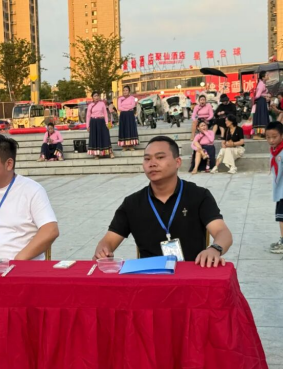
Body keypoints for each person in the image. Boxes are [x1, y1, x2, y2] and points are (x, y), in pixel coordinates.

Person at [93, 136, 233, 267]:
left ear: (177, 162)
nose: (152, 164)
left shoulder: (198, 195)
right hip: (149, 277)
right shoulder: (132, 203)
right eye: (147, 159)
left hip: (191, 274)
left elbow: (222, 232)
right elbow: (109, 240)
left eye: (160, 157)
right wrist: (103, 250)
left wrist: (215, 249)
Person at [266, 122, 283, 254]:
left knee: (281, 217)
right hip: (280, 189)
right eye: (268, 137)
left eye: (274, 137)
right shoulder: (275, 150)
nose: (271, 140)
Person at [86, 91, 113, 159]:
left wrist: (107, 123)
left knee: (105, 136)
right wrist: (87, 126)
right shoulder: (90, 105)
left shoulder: (102, 104)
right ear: (92, 97)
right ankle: (96, 154)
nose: (96, 97)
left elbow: (105, 114)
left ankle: (110, 153)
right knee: (95, 138)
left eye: (97, 96)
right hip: (93, 122)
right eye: (95, 96)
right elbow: (88, 116)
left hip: (102, 122)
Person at [117, 86, 139, 151]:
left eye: (126, 90)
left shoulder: (132, 98)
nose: (125, 91)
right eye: (124, 90)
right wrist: (127, 108)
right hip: (123, 115)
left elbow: (132, 105)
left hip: (130, 115)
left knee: (130, 128)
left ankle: (131, 145)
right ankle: (124, 146)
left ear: (129, 91)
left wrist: (124, 107)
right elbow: (119, 108)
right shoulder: (120, 99)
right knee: (123, 129)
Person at [253, 71, 270, 137]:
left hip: (261, 102)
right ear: (263, 77)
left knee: (260, 116)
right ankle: (262, 133)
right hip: (261, 102)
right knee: (262, 116)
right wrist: (266, 95)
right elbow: (257, 95)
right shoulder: (261, 84)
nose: (268, 76)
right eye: (267, 75)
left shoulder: (261, 83)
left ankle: (261, 133)